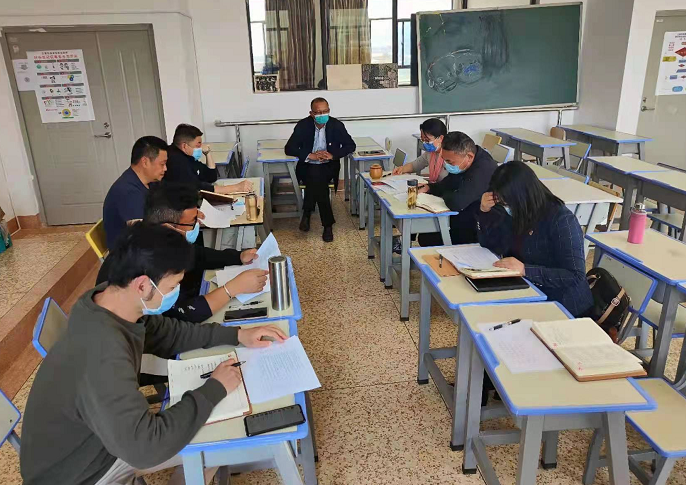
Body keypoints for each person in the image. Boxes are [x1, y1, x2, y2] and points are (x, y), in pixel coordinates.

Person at [20, 223, 287, 485]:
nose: (175, 294)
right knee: (218, 438)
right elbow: (147, 447)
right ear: (142, 285)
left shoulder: (109, 300)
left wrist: (237, 335)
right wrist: (213, 389)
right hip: (83, 473)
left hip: (102, 440)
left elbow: (169, 333)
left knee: (207, 429)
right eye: (172, 287)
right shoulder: (102, 353)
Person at [97, 182, 268, 323]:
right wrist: (232, 289)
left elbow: (198, 255)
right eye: (193, 220)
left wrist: (238, 256)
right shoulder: (147, 260)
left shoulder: (154, 238)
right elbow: (182, 314)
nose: (199, 222)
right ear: (168, 227)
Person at [477, 160, 593, 317]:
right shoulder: (518, 212)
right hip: (527, 289)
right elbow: (491, 244)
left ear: (521, 197)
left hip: (563, 304)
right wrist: (484, 212)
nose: (505, 208)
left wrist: (525, 270)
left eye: (507, 203)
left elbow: (575, 275)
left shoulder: (562, 220)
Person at [285, 97, 356, 242]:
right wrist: (309, 155)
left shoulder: (336, 125)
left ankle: (307, 212)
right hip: (307, 166)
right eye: (318, 112)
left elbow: (351, 145)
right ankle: (327, 225)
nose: (322, 115)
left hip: (328, 166)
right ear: (311, 113)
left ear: (329, 110)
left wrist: (332, 155)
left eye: (325, 111)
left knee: (316, 178)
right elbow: (289, 148)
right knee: (317, 179)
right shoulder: (303, 125)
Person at [416, 131, 497, 247]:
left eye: (449, 162)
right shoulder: (464, 161)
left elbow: (457, 203)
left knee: (429, 238)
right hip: (464, 214)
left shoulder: (483, 170)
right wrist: (430, 187)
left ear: (469, 157)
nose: (446, 165)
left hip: (477, 226)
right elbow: (449, 182)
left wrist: (446, 193)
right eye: (444, 160)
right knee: (425, 235)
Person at [103, 136, 168, 249]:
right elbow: (142, 237)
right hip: (129, 253)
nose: (165, 168)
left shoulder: (149, 182)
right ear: (145, 162)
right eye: (162, 164)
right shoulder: (128, 192)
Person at [165, 123, 251, 195]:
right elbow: (199, 188)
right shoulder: (176, 161)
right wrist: (236, 187)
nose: (201, 147)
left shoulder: (187, 156)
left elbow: (211, 177)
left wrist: (208, 153)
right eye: (198, 145)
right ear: (184, 146)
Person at [392, 118, 448, 183]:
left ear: (441, 138)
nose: (424, 143)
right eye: (422, 140)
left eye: (427, 140)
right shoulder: (430, 153)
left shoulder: (450, 155)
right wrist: (402, 169)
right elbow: (415, 165)